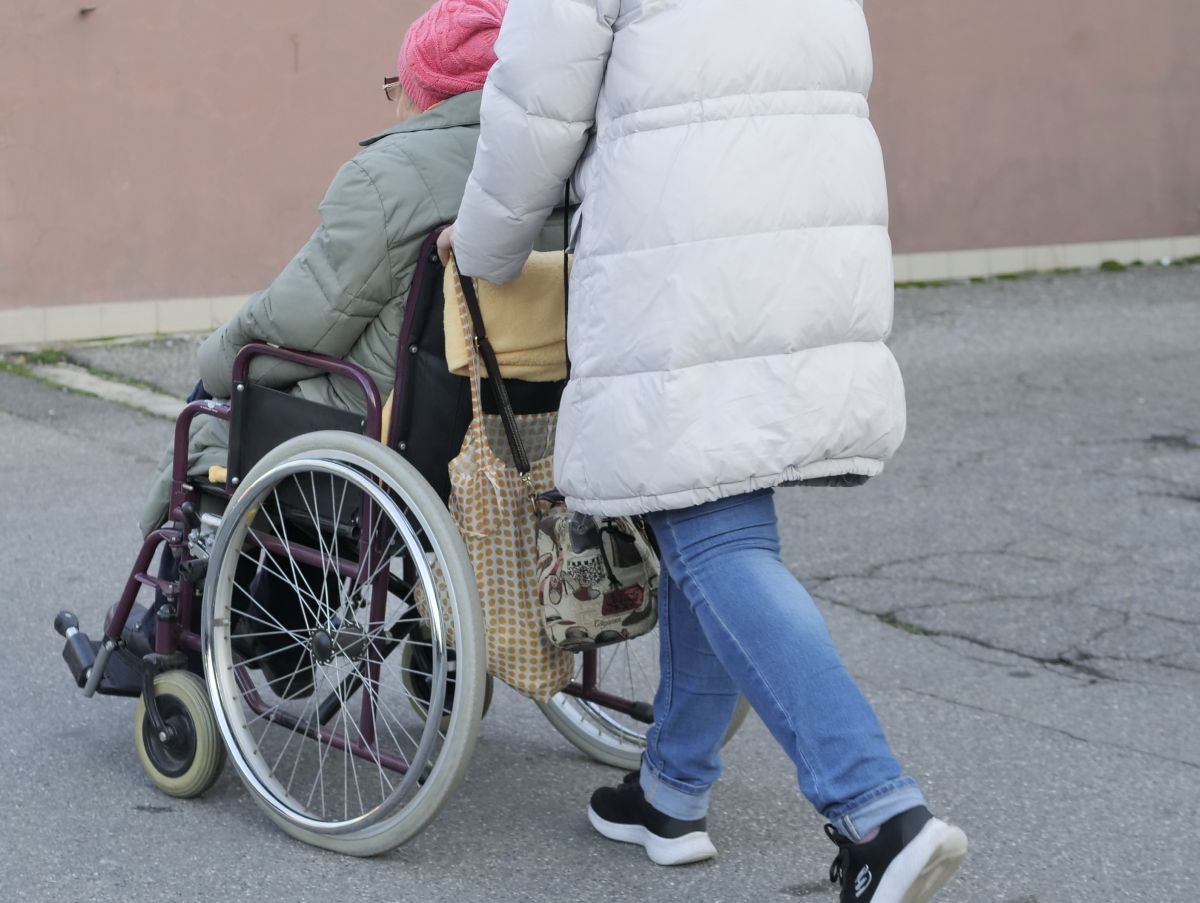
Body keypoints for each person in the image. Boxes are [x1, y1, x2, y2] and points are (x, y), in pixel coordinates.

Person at [439, 2, 968, 901]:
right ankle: (670, 789)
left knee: (717, 537)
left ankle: (879, 813)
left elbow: (538, 100)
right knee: (706, 506)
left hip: (685, 252)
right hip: (805, 235)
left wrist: (487, 247)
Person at [129, 0, 515, 652]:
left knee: (218, 400)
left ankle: (171, 635)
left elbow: (297, 324)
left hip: (392, 442)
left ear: (425, 91)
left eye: (397, 85)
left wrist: (216, 361)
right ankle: (283, 626)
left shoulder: (389, 178)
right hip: (509, 434)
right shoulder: (548, 171)